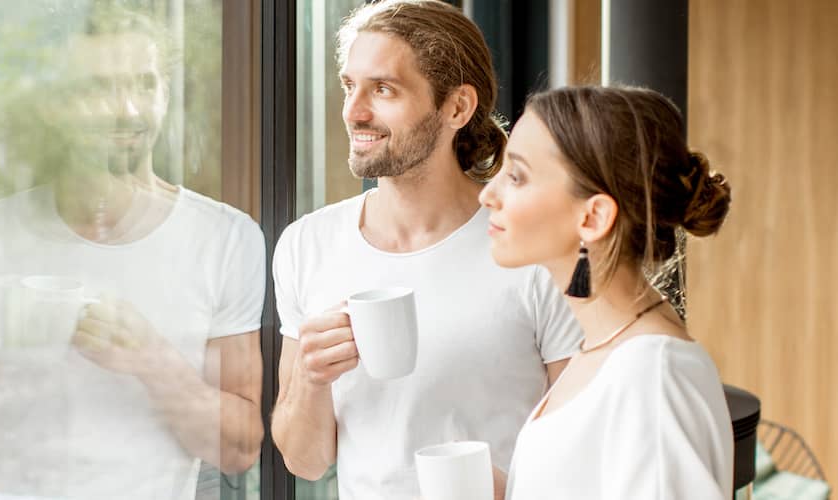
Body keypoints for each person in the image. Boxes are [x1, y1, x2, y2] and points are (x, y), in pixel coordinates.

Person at [0, 4, 264, 498]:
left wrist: (152, 359)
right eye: (98, 88)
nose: (129, 110)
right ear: (52, 104)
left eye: (145, 84)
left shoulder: (225, 238)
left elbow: (239, 450)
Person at [269, 1, 581, 498]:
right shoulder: (306, 245)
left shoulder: (532, 253)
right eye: (350, 85)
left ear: (457, 107)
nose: (354, 111)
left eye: (384, 89)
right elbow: (305, 462)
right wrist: (310, 379)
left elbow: (582, 452)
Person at [479, 84, 735, 499]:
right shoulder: (603, 351)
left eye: (517, 176)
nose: (488, 195)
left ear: (593, 216)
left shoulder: (652, 374)